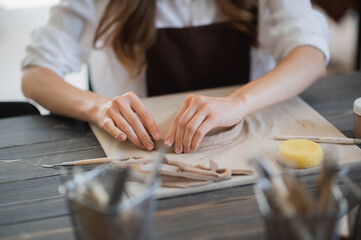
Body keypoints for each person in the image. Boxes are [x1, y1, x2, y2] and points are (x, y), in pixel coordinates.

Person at [21, 0, 329, 154]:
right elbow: (35, 75)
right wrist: (98, 107)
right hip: (138, 156)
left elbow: (311, 56)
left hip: (249, 148)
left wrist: (239, 102)